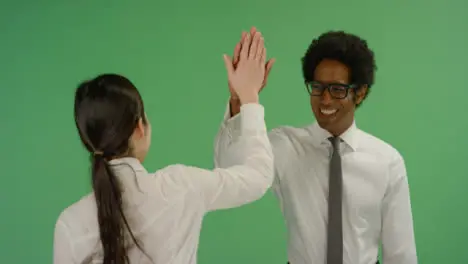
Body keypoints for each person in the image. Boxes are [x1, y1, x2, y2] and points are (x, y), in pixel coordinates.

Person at [53, 31, 274, 264]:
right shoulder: (180, 187)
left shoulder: (70, 224)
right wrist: (248, 96)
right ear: (139, 127)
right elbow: (257, 177)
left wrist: (238, 103)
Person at [214, 28, 418, 264]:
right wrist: (240, 99)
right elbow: (230, 169)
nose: (326, 99)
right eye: (318, 87)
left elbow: (401, 254)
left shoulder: (387, 161)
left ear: (360, 93)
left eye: (338, 89)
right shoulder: (285, 146)